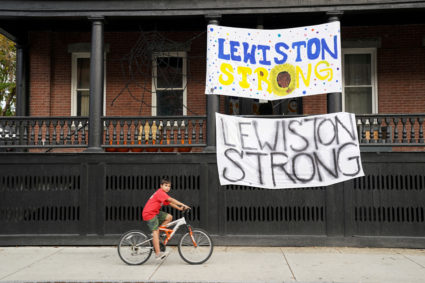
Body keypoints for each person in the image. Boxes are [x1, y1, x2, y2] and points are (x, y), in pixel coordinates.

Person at [142, 178, 190, 260]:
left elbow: (170, 203)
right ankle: (158, 253)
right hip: (149, 214)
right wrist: (183, 204)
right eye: (166, 185)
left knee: (169, 217)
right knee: (155, 231)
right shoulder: (160, 192)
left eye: (169, 186)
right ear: (161, 186)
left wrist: (180, 208)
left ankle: (157, 236)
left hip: (155, 213)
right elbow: (171, 199)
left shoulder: (162, 194)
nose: (168, 187)